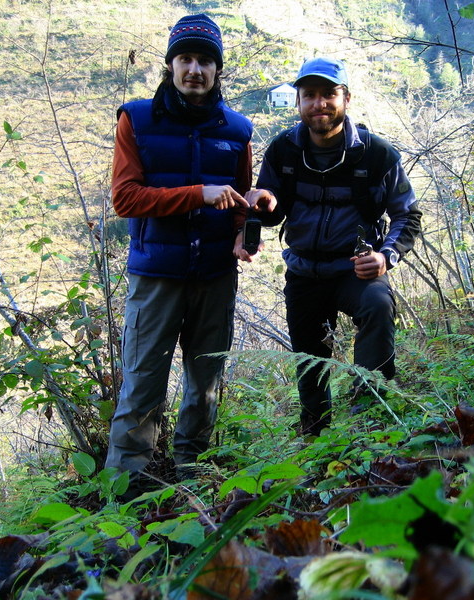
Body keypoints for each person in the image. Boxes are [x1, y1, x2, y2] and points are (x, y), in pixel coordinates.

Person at [105, 13, 256, 489]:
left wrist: (242, 231)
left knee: (205, 382)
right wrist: (197, 193)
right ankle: (126, 490)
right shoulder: (137, 119)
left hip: (214, 274)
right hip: (156, 277)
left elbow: (241, 202)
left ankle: (192, 479)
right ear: (170, 65)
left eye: (205, 61)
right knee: (143, 383)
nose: (195, 69)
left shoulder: (237, 130)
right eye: (185, 59)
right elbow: (125, 199)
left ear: (217, 70)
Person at [246, 57, 422, 436]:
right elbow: (270, 211)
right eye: (309, 95)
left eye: (329, 94)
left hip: (355, 269)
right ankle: (316, 434)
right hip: (305, 270)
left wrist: (385, 257)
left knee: (377, 305)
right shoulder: (283, 151)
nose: (319, 103)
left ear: (346, 98)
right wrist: (263, 208)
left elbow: (408, 216)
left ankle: (370, 417)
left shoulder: (377, 155)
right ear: (298, 102)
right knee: (309, 359)